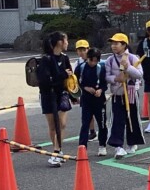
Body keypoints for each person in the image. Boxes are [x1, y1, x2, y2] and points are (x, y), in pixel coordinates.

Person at [105, 33, 145, 160]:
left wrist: (128, 67)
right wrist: (116, 78)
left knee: (133, 118)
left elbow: (139, 75)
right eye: (112, 43)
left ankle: (132, 143)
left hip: (131, 93)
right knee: (117, 120)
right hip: (117, 94)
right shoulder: (110, 60)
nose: (113, 46)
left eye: (116, 43)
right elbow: (106, 76)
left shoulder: (133, 58)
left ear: (124, 45)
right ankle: (118, 146)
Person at [36, 31, 73, 167]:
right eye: (66, 40)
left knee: (61, 124)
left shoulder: (65, 58)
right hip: (48, 94)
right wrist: (62, 74)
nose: (67, 43)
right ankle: (57, 151)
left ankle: (57, 151)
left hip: (62, 93)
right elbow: (45, 79)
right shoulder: (46, 59)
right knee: (52, 125)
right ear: (59, 42)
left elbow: (69, 76)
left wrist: (73, 94)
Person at [77, 47, 108, 156]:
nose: (93, 63)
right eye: (91, 60)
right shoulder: (81, 68)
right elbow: (76, 83)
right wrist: (85, 88)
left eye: (96, 61)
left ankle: (102, 146)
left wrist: (100, 90)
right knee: (85, 124)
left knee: (102, 123)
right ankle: (82, 148)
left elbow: (105, 84)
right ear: (87, 58)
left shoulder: (101, 68)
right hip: (86, 100)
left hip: (99, 101)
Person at [72, 39, 97, 141]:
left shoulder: (94, 59)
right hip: (84, 92)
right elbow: (75, 80)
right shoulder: (77, 63)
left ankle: (100, 132)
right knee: (87, 114)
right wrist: (75, 95)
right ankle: (92, 131)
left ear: (88, 49)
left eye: (84, 50)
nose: (82, 52)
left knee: (98, 113)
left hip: (96, 90)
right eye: (79, 50)